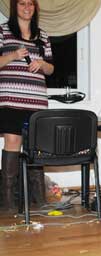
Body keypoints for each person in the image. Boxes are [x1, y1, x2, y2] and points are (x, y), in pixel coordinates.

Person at [0, 0, 54, 211]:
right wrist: (13, 55)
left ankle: (39, 201)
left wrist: (42, 64)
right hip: (10, 99)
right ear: (15, 7)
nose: (27, 7)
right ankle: (9, 203)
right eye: (22, 3)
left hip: (37, 101)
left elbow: (51, 69)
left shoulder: (43, 36)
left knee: (36, 149)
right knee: (13, 143)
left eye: (31, 4)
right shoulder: (3, 31)